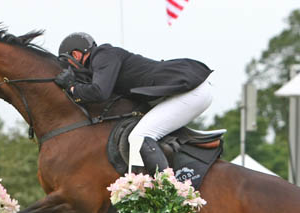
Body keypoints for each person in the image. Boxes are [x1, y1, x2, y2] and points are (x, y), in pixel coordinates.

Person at [55, 32, 213, 174]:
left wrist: (72, 87)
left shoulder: (102, 54)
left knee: (140, 136)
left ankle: (166, 192)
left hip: (192, 90)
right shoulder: (103, 61)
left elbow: (99, 92)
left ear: (76, 55)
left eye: (69, 65)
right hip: (187, 90)